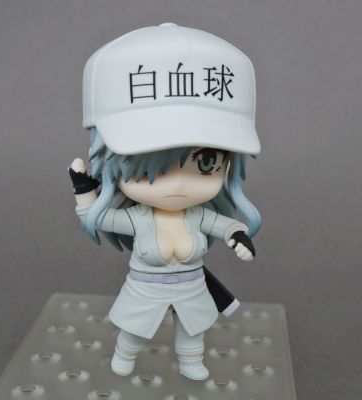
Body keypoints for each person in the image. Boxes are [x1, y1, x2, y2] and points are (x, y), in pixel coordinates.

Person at [68, 23, 261, 381]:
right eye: (148, 167)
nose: (178, 185)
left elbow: (225, 225)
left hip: (192, 289)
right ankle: (125, 355)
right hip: (144, 289)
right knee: (134, 329)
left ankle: (191, 362)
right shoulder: (139, 218)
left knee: (193, 329)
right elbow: (100, 218)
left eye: (206, 163)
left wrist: (237, 235)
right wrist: (84, 191)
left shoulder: (197, 215)